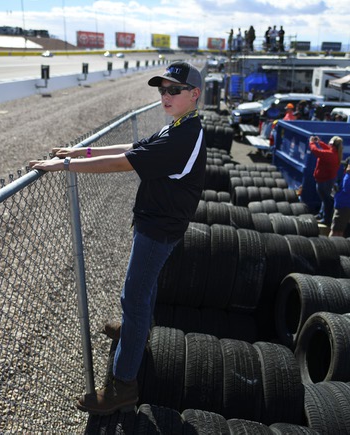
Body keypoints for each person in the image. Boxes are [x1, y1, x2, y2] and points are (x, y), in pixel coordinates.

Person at [29, 61, 205, 415]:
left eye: (173, 90)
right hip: (159, 224)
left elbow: (123, 163)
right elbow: (134, 147)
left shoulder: (182, 136)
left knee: (134, 297)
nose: (165, 96)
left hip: (159, 229)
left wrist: (62, 167)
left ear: (194, 94)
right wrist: (81, 152)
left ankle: (123, 387)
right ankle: (136, 330)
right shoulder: (180, 126)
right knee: (143, 291)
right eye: (162, 89)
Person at [309, 135, 343, 225]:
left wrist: (311, 142)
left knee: (326, 200)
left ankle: (326, 218)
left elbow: (316, 151)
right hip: (328, 180)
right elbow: (328, 148)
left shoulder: (330, 155)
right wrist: (319, 143)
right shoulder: (334, 152)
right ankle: (322, 214)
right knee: (325, 199)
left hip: (324, 181)